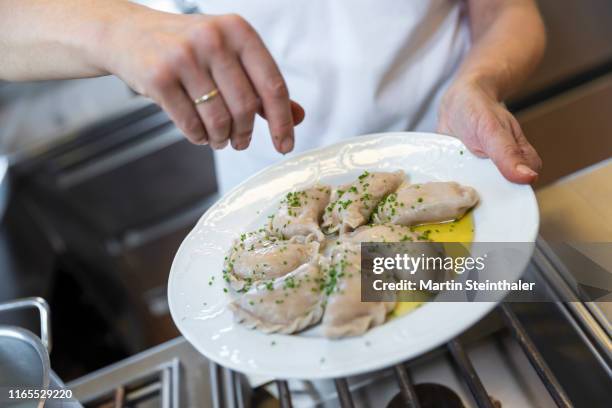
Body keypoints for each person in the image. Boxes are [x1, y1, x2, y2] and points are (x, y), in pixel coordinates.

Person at [1, 0, 545, 192]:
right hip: (281, 203)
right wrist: (113, 29)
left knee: (508, 348)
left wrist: (478, 83)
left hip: (452, 160)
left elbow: (507, 9)